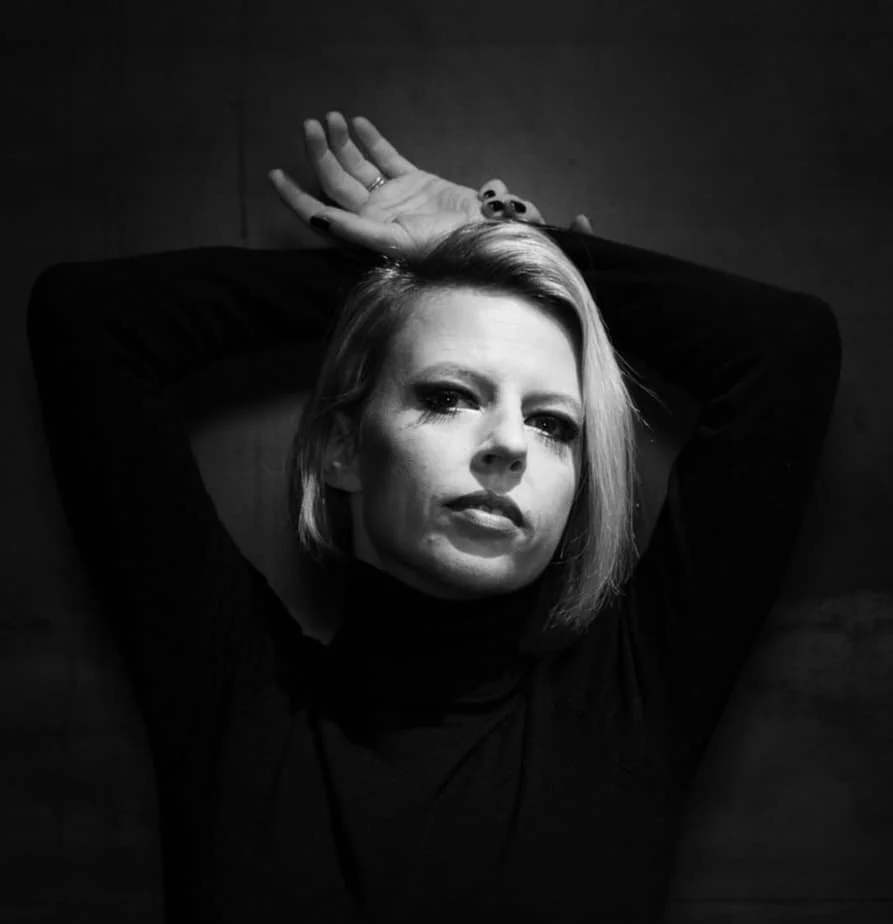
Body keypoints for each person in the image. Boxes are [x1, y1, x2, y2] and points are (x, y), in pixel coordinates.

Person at [26, 111, 842, 923]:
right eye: (449, 397)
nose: (507, 447)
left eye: (553, 424)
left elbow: (784, 349)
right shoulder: (237, 698)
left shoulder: (628, 707)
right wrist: (423, 274)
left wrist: (526, 255)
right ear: (341, 447)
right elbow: (89, 324)